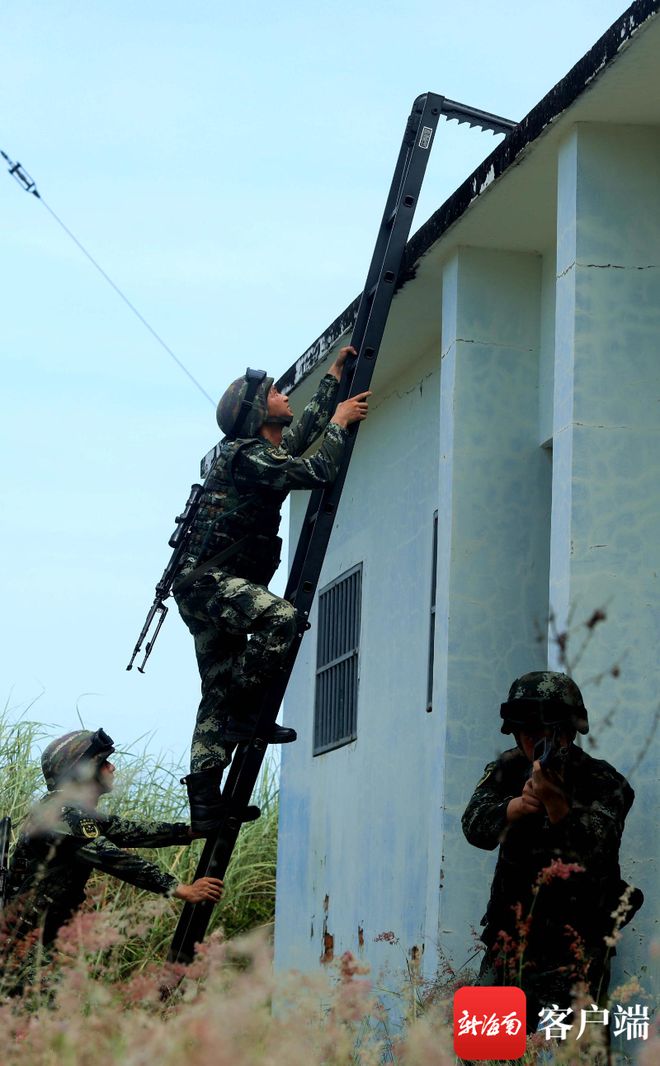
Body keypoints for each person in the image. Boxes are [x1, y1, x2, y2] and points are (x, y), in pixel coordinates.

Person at [173, 346, 370, 832]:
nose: (285, 396)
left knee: (216, 688)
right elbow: (317, 469)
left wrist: (332, 379)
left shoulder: (258, 453)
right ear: (260, 413)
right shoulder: (248, 457)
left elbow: (301, 437)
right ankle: (245, 714)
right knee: (281, 619)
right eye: (278, 394)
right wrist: (341, 422)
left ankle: (205, 802)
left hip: (203, 587)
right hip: (210, 584)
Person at [462, 672, 642, 1032]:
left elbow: (595, 847)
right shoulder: (506, 769)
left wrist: (556, 803)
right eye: (526, 732)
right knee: (483, 1049)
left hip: (575, 952)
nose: (535, 740)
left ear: (568, 731)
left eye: (547, 730)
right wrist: (516, 806)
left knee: (573, 1053)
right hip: (508, 944)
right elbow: (474, 826)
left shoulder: (604, 783)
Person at [1, 728, 223, 981]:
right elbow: (112, 858)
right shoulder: (62, 816)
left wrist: (187, 832)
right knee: (42, 1013)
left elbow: (129, 831)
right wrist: (180, 889)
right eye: (104, 762)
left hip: (34, 943)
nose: (112, 768)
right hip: (21, 948)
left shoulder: (67, 810)